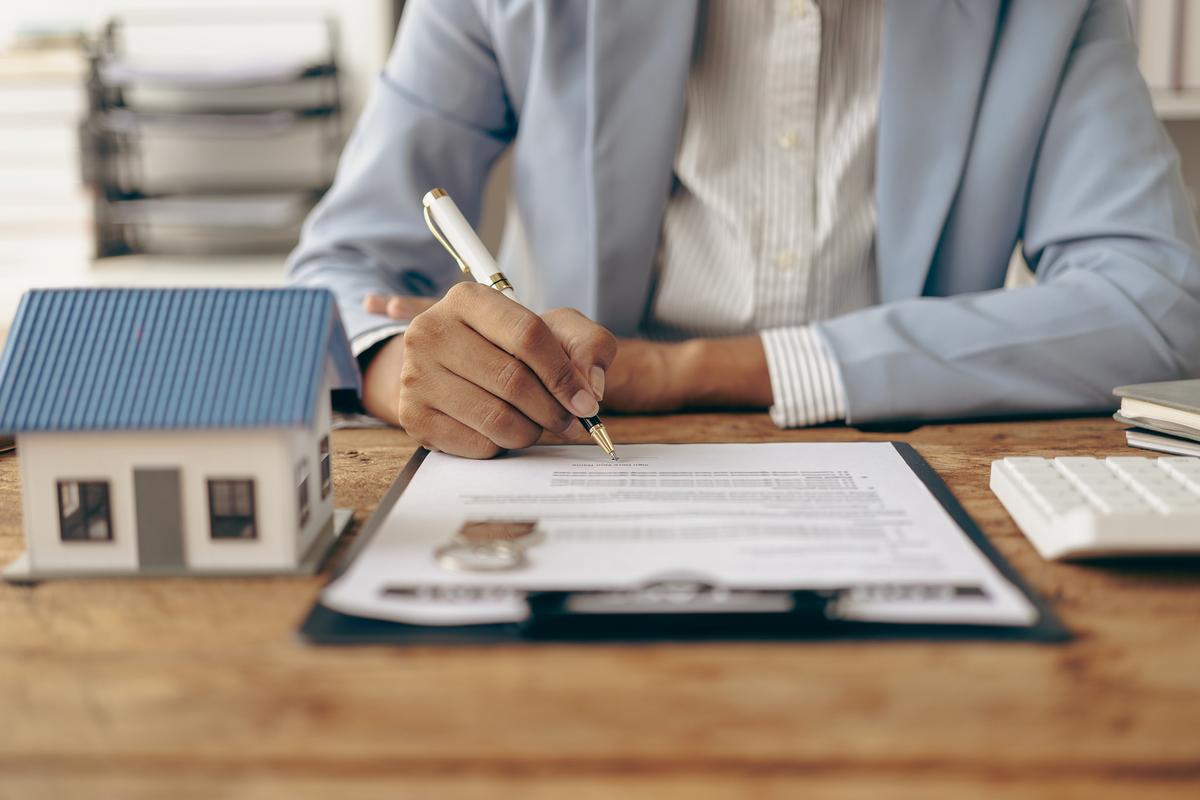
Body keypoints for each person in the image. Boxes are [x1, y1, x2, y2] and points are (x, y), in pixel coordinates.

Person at [288, 0, 1200, 459]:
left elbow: (1158, 304)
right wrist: (405, 369)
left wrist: (682, 372)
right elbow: (339, 268)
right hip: (573, 458)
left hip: (909, 458)